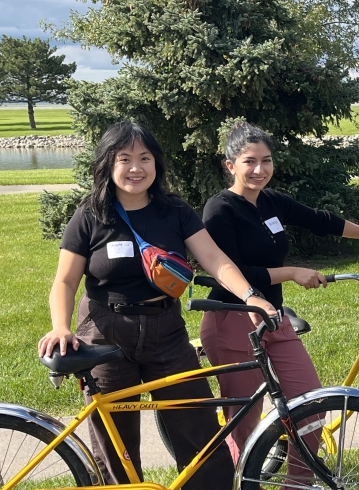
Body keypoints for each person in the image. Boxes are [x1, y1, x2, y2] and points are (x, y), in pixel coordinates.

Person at [38, 121, 260, 487]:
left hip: (166, 333)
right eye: (124, 158)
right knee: (115, 444)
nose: (136, 168)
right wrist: (60, 326)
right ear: (109, 164)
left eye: (145, 158)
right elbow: (65, 280)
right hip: (105, 332)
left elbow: (216, 261)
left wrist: (252, 297)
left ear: (156, 164)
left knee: (199, 431)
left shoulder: (174, 211)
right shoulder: (91, 214)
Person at [200, 121, 359, 464]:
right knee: (246, 422)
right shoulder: (219, 210)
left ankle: (300, 483)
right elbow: (231, 272)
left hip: (273, 318)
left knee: (311, 404)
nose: (259, 169)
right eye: (250, 161)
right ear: (230, 165)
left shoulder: (271, 202)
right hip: (231, 321)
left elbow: (322, 221)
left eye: (266, 160)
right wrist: (292, 273)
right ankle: (244, 483)